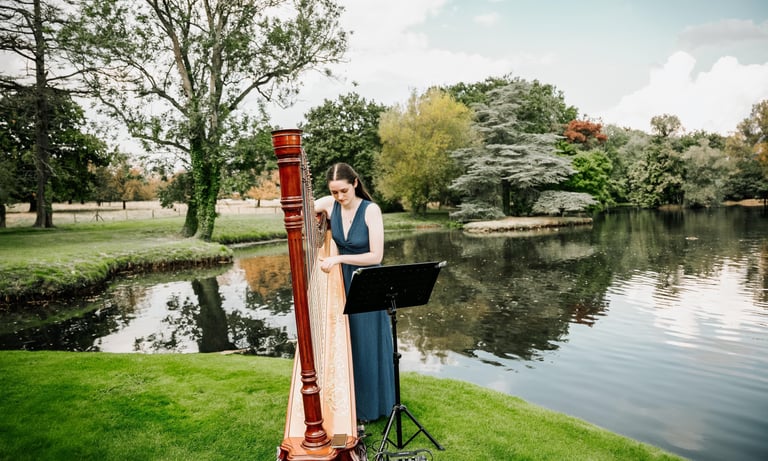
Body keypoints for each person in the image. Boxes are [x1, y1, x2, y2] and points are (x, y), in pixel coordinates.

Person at [314, 163, 395, 422]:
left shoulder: (371, 210)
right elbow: (300, 211)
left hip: (367, 281)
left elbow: (376, 255)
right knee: (349, 343)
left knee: (368, 341)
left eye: (344, 191)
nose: (339, 197)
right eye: (335, 192)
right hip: (342, 282)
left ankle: (373, 407)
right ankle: (348, 403)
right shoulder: (329, 204)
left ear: (355, 183)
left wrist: (337, 261)